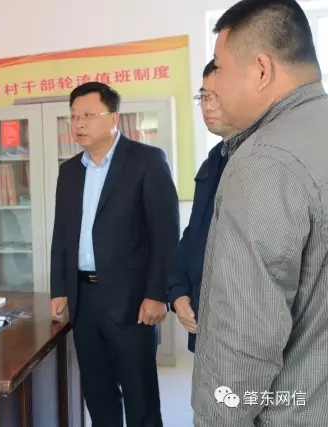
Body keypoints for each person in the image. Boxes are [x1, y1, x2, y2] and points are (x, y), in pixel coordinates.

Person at [192, 0, 328, 425]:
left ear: (262, 70)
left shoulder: (264, 161)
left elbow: (243, 342)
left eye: (220, 67)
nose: (214, 84)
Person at [50, 81, 180, 427]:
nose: (79, 124)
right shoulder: (69, 171)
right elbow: (62, 235)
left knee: (140, 396)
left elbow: (166, 234)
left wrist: (158, 294)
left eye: (88, 115)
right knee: (98, 392)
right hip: (83, 298)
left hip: (132, 300)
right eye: (74, 116)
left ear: (114, 118)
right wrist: (59, 288)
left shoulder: (146, 161)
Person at [168, 60, 237, 352]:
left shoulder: (260, 161)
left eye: (217, 96)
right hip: (202, 314)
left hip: (238, 323)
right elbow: (193, 234)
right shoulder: (213, 159)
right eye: (204, 97)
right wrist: (177, 292)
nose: (208, 106)